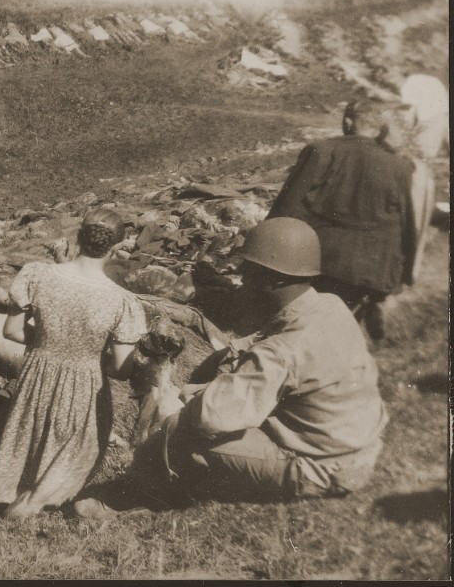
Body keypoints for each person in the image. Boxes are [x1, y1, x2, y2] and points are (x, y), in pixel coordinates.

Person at [75, 218, 389, 519]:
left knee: (177, 427)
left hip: (324, 468)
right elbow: (268, 342)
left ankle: (129, 497)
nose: (242, 282)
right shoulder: (329, 304)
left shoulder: (280, 352)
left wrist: (178, 399)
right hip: (357, 447)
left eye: (249, 273)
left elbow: (211, 418)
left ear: (274, 280)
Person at [0, 205, 148, 518]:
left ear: (78, 237)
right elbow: (119, 368)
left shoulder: (37, 274)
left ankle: (13, 497)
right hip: (84, 381)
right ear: (115, 248)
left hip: (37, 370)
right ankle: (35, 504)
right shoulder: (121, 300)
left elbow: (12, 331)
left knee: (28, 433)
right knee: (72, 446)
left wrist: (51, 342)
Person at [266, 101, 419, 341]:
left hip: (319, 264)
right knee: (339, 329)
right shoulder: (399, 166)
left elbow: (288, 207)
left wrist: (261, 255)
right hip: (369, 270)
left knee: (297, 328)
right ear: (381, 128)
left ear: (348, 122)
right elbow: (406, 225)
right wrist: (400, 277)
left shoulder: (323, 150)